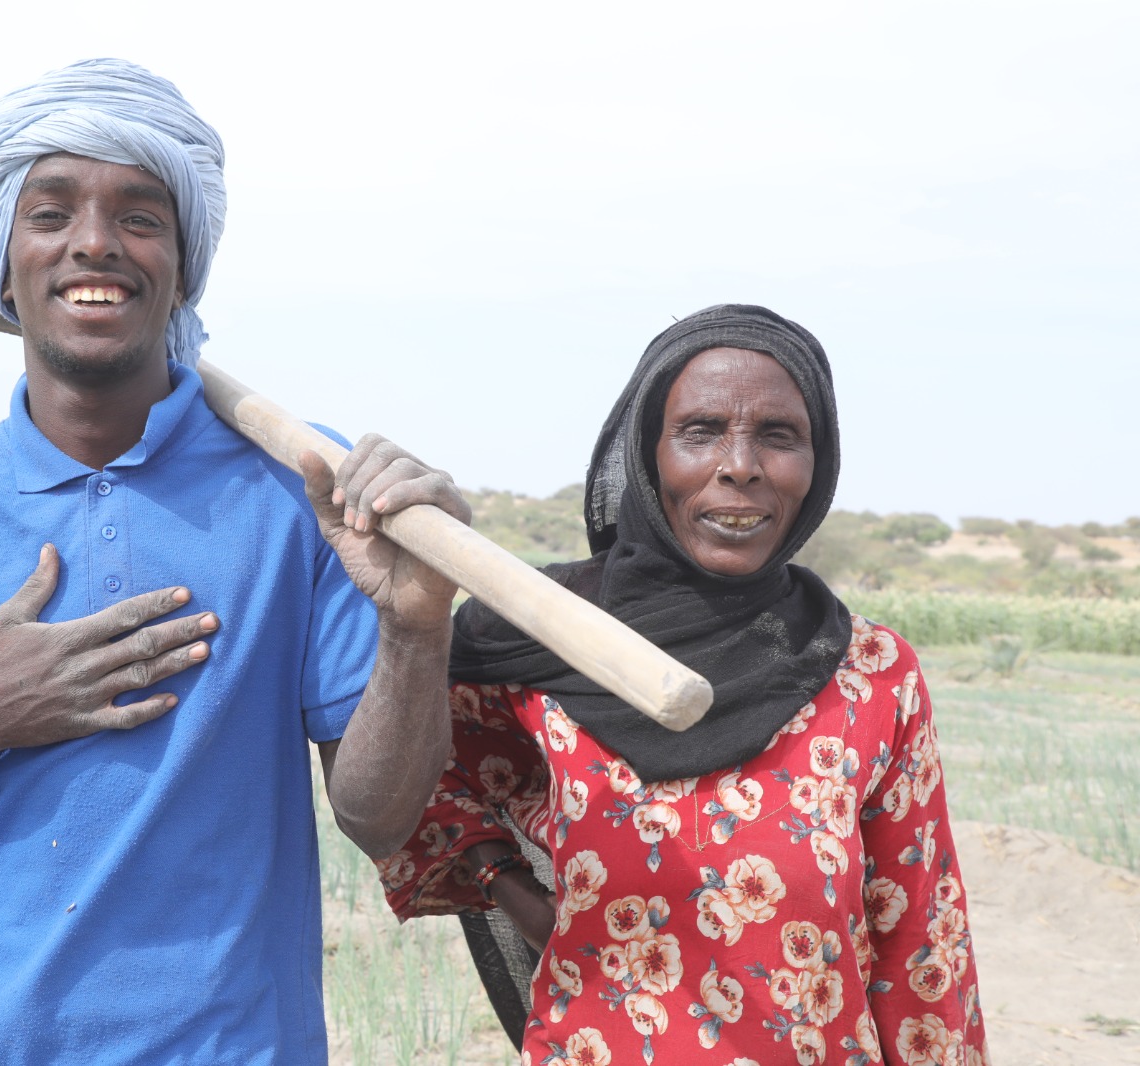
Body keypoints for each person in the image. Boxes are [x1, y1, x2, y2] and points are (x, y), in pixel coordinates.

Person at [0, 59, 463, 1065]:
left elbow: (379, 818)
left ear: (183, 269)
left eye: (141, 217)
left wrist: (414, 624)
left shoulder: (308, 496)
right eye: (50, 213)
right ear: (1, 266)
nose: (96, 241)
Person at [339, 305, 990, 1065]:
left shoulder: (871, 672)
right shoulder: (538, 636)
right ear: (648, 456)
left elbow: (920, 937)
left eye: (779, 435)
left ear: (820, 463)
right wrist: (507, 884)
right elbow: (409, 796)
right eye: (701, 431)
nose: (740, 464)